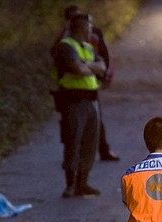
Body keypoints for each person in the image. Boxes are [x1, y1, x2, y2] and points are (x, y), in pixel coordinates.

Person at [52, 13, 107, 197]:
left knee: (90, 143)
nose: (91, 29)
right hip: (73, 101)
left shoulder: (88, 48)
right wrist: (90, 67)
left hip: (92, 100)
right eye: (89, 26)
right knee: (73, 142)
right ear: (81, 27)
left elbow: (102, 67)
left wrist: (86, 65)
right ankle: (70, 184)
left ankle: (82, 183)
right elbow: (78, 69)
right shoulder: (66, 46)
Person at [55, 6, 120, 162]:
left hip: (91, 86)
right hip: (70, 91)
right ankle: (72, 157)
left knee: (96, 121)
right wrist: (89, 67)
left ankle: (103, 150)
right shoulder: (64, 39)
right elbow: (59, 58)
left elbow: (103, 55)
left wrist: (104, 74)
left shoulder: (94, 33)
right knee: (71, 126)